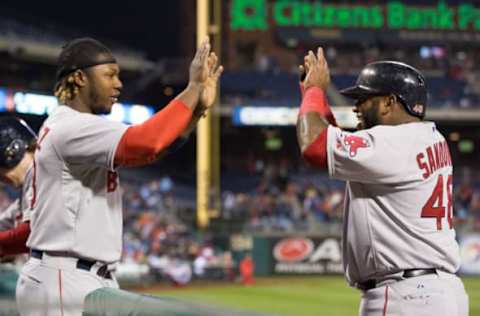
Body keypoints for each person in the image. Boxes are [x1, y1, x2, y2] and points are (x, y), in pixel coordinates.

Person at [16, 37, 223, 316]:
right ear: (79, 78)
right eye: (109, 75)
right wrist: (192, 90)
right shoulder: (71, 126)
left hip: (77, 275)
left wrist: (197, 110)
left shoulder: (75, 126)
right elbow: (148, 141)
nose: (118, 84)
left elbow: (152, 152)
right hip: (64, 276)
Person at [296, 48, 468, 315]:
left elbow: (315, 145)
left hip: (406, 296)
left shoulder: (393, 143)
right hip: (440, 292)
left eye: (365, 98)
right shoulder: (429, 137)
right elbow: (337, 140)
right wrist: (312, 95)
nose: (356, 106)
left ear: (389, 102)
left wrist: (314, 92)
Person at [0, 117, 37, 258]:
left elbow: (32, 233)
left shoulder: (45, 175)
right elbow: (6, 221)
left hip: (80, 272)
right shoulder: (28, 182)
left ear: (14, 152)